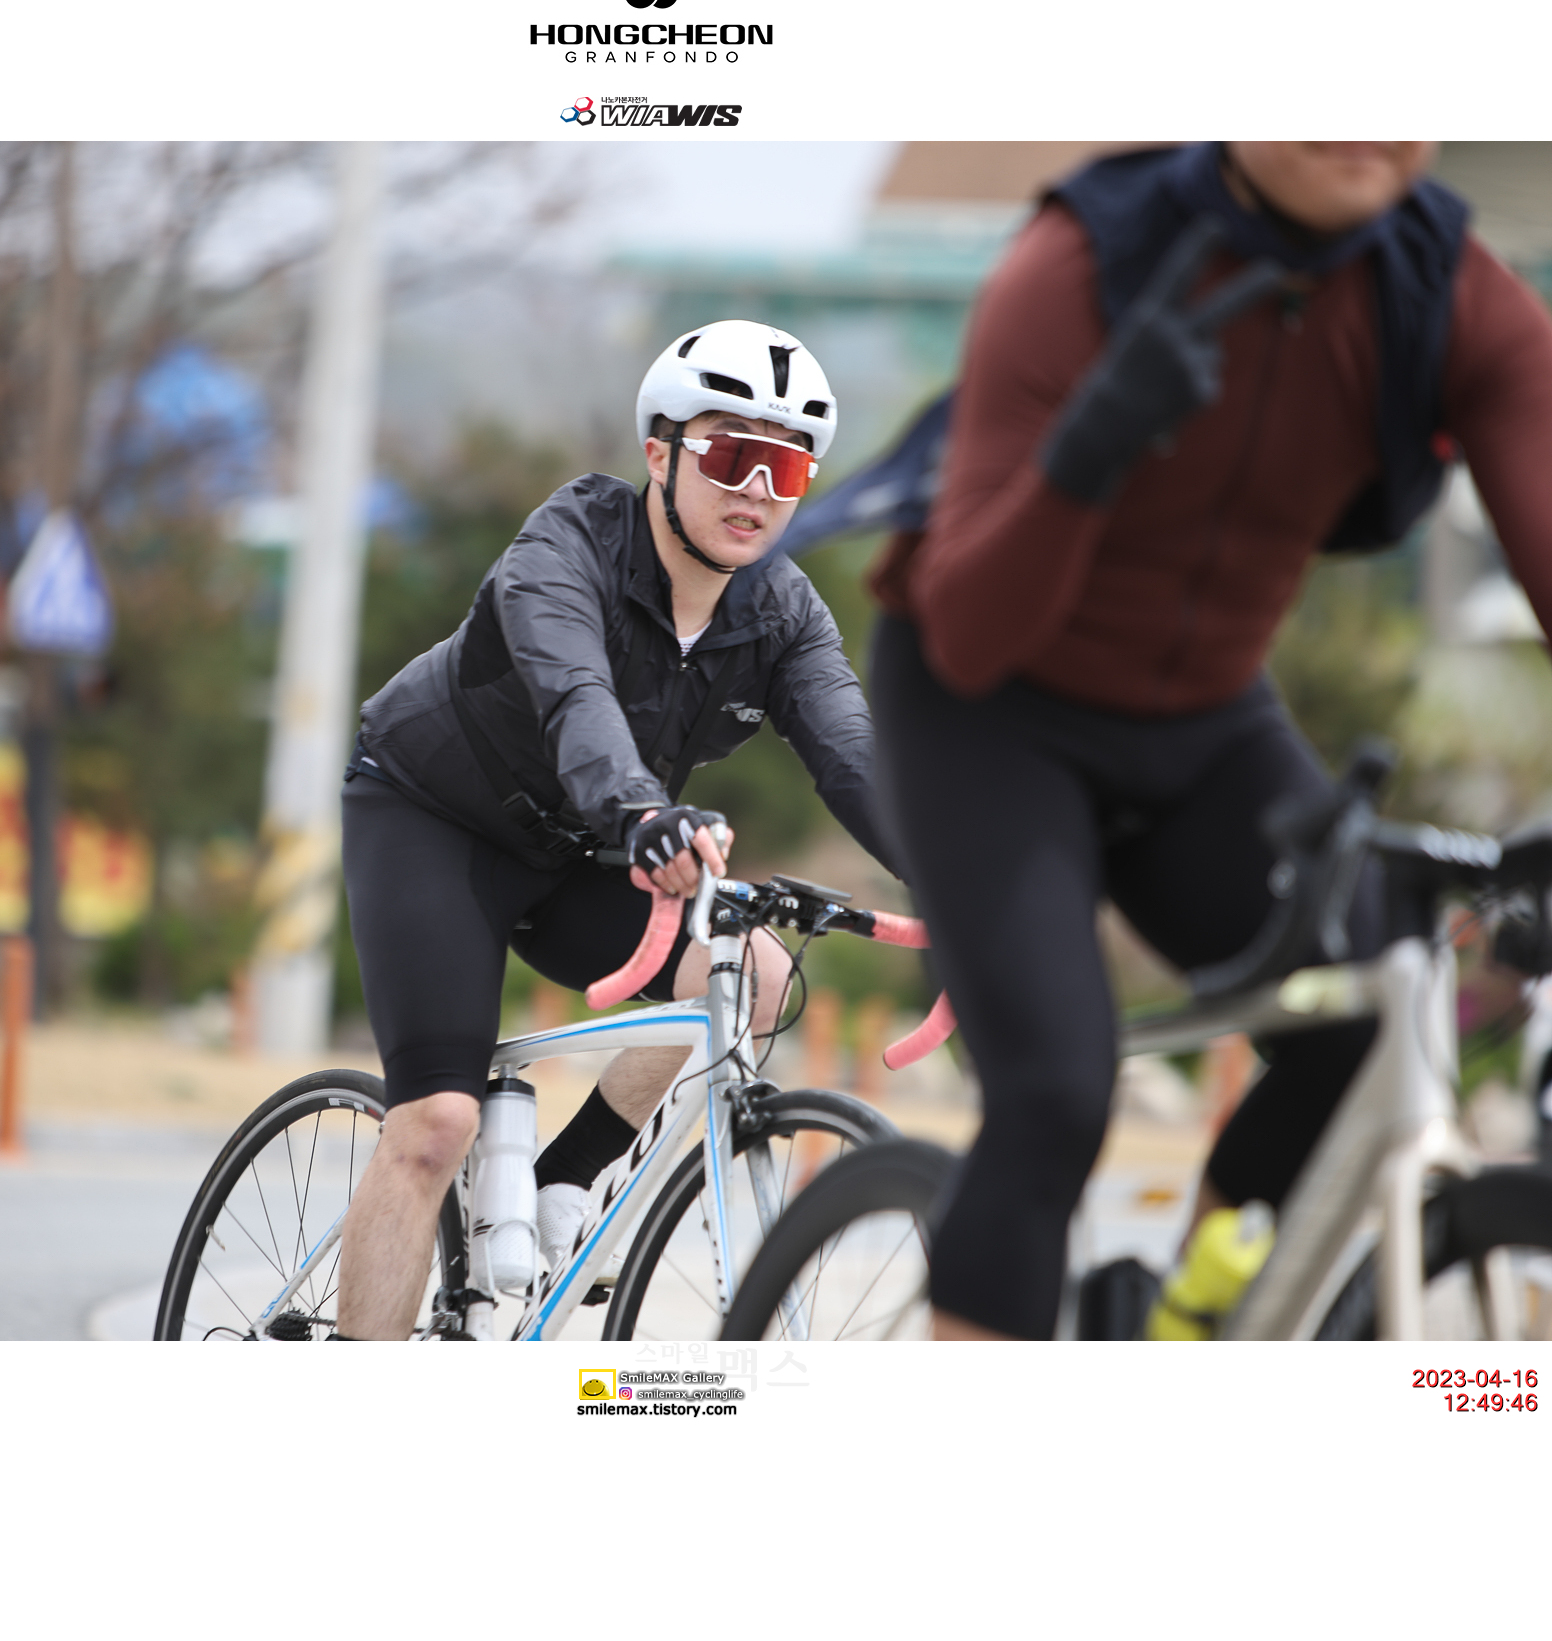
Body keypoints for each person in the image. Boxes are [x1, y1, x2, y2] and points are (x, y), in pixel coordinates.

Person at [867, 142, 1552, 1340]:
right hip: (989, 717)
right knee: (1056, 1093)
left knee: (1372, 1026)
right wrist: (1087, 450)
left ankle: (1188, 1330)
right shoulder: (1078, 263)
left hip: (1203, 725)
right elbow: (969, 632)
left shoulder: (1448, 296)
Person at [334, 319, 902, 1339]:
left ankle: (570, 1175)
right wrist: (645, 812)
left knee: (757, 973)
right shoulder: (566, 546)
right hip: (436, 816)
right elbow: (576, 698)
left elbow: (855, 758)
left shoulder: (783, 613)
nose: (756, 490)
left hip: (584, 851)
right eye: (729, 457)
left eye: (785, 469)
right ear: (660, 452)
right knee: (437, 1122)